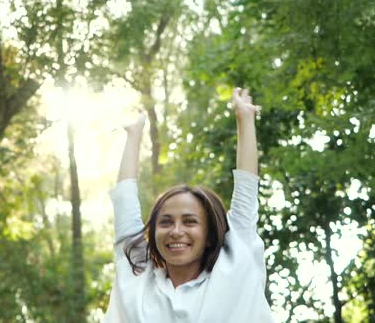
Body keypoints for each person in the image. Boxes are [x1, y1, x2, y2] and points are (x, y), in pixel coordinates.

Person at [103, 88, 275, 322]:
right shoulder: (136, 272)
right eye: (165, 222)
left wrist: (245, 119)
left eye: (190, 221)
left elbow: (246, 191)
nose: (176, 231)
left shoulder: (235, 265)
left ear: (211, 235)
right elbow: (124, 201)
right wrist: (133, 136)